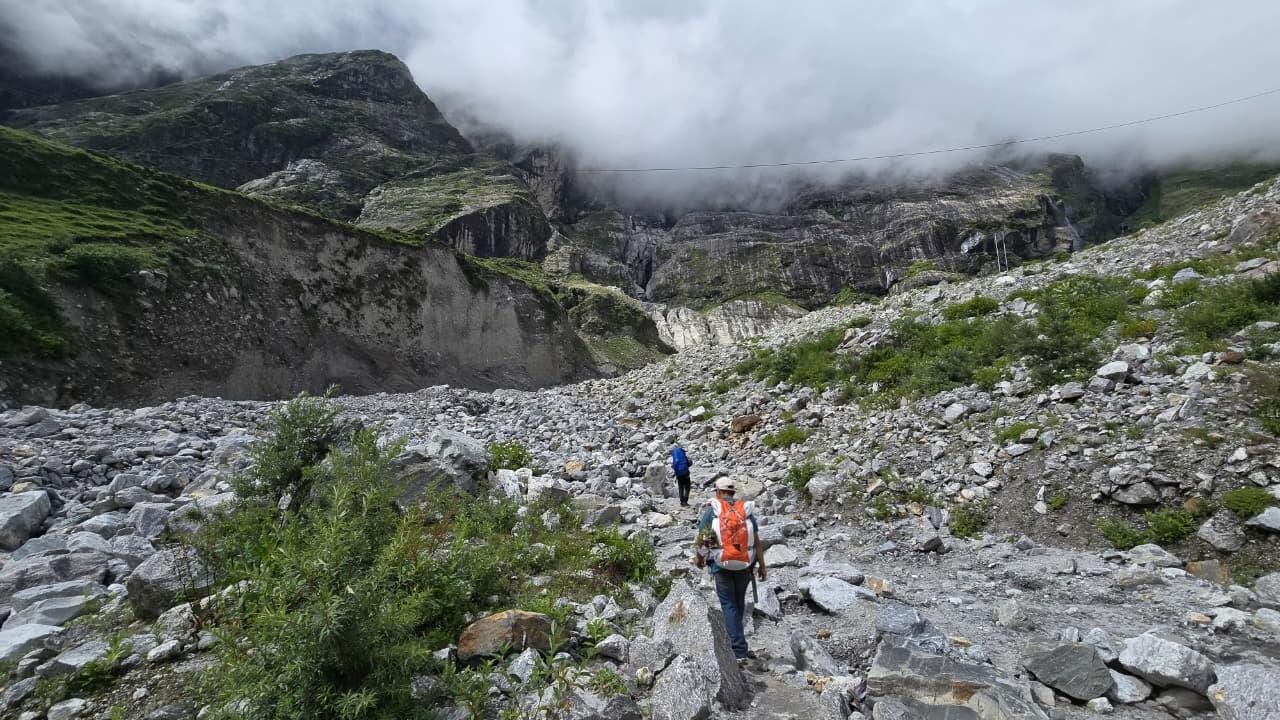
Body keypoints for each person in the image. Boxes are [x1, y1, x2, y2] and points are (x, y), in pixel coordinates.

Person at [692, 477, 767, 663]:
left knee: (728, 605)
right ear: (733, 492)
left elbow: (704, 540)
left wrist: (700, 559)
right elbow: (756, 540)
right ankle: (738, 641)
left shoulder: (713, 512)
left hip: (721, 566)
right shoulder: (745, 510)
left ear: (717, 492)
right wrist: (762, 565)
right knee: (738, 603)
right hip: (745, 565)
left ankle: (738, 650)